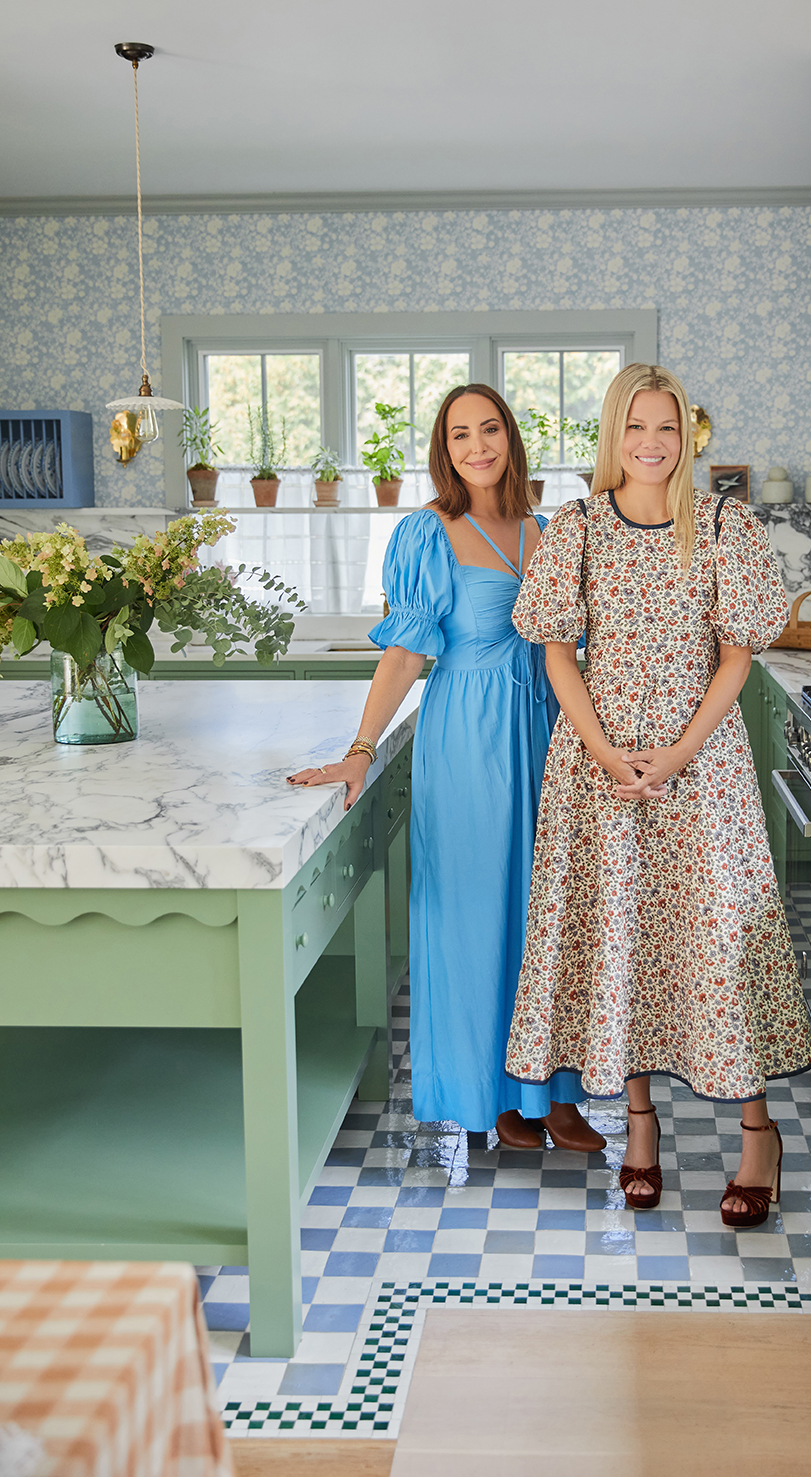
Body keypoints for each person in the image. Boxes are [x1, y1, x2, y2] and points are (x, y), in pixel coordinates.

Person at [505, 363, 811, 1219]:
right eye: (636, 426)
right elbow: (557, 651)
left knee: (719, 947)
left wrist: (678, 751)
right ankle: (639, 1128)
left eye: (668, 429)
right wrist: (607, 752)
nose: (651, 443)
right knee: (626, 944)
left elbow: (738, 656)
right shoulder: (574, 529)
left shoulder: (723, 523)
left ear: (688, 437)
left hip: (701, 768)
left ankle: (760, 1136)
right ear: (614, 434)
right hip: (598, 772)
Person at [288, 383, 603, 1152]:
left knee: (551, 914)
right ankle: (491, 1093)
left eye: (489, 429)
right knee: (477, 914)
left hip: (549, 732)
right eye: (460, 435)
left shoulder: (550, 529)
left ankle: (556, 1095)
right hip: (469, 738)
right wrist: (360, 751)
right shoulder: (429, 533)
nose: (477, 446)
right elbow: (405, 655)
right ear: (444, 449)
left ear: (510, 436)